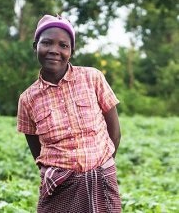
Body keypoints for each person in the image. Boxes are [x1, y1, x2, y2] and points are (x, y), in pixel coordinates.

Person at [17, 14, 121, 213]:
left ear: (71, 51)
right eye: (47, 43)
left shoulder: (93, 78)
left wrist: (103, 166)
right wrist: (61, 173)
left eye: (63, 45)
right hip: (59, 185)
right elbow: (36, 150)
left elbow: (114, 132)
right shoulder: (27, 99)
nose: (54, 51)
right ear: (35, 46)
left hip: (102, 178)